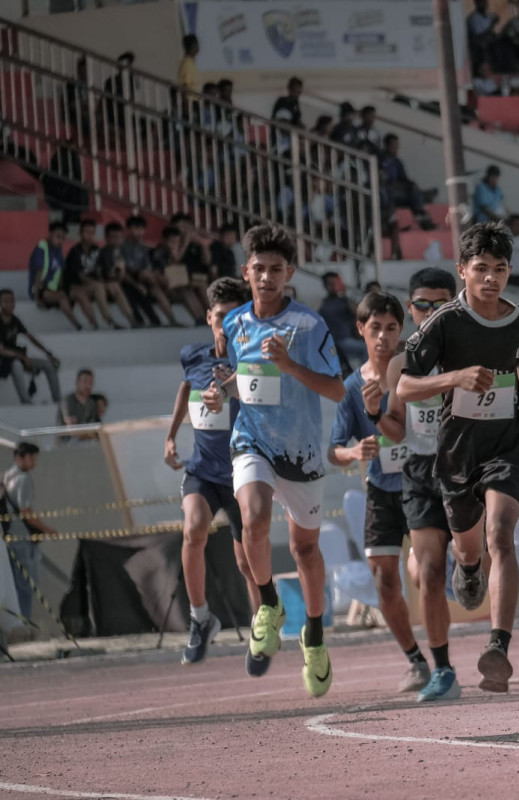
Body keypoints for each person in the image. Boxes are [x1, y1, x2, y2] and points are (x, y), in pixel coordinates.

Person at [398, 223, 519, 694]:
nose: (491, 278)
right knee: (470, 549)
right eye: (481, 268)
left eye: (500, 269)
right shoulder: (445, 321)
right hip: (457, 453)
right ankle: (467, 568)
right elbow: (404, 386)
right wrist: (455, 378)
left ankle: (498, 646)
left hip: (505, 446)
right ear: (462, 270)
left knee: (500, 535)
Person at [201, 223, 346, 696]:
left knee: (305, 550)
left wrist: (289, 365)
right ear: (246, 272)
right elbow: (245, 378)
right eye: (259, 269)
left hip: (300, 454)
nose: (266, 277)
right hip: (253, 440)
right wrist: (221, 393)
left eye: (275, 269)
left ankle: (315, 635)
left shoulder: (309, 326)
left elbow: (336, 390)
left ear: (289, 273)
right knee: (254, 518)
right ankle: (268, 603)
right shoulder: (235, 323)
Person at [327, 291, 430, 693]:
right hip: (381, 492)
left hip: (423, 485)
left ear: (401, 329)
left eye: (391, 328)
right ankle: (415, 659)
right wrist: (353, 452)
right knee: (384, 579)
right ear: (360, 329)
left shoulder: (415, 375)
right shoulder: (352, 387)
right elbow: (334, 450)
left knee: (424, 570)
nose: (383, 336)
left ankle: (440, 655)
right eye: (375, 328)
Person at [163, 277, 259, 665]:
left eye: (234, 317)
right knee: (193, 529)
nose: (226, 325)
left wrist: (231, 392)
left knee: (247, 561)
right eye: (220, 317)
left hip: (241, 473)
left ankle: (260, 627)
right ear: (209, 317)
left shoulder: (252, 361)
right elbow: (185, 388)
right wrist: (171, 435)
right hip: (202, 470)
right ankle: (201, 618)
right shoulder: (193, 356)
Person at [383, 267, 461, 701]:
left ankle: (470, 567)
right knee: (429, 572)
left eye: (440, 304)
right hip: (419, 472)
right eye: (422, 305)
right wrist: (375, 415)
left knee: (473, 560)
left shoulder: (469, 353)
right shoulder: (400, 364)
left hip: (465, 469)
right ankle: (443, 669)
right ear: (410, 308)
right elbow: (397, 427)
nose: (430, 312)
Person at [2, 443, 56, 622]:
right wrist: (47, 529)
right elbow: (26, 512)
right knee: (26, 584)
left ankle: (15, 623)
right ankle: (23, 623)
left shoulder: (7, 476)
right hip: (21, 538)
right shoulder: (24, 479)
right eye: (31, 458)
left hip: (8, 537)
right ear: (20, 458)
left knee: (13, 584)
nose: (34, 462)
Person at [0, 289, 62, 406]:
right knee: (16, 364)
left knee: (48, 365)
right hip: (4, 361)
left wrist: (48, 353)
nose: (10, 304)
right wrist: (22, 357)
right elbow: (2, 351)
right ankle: (26, 402)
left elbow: (31, 338)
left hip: (17, 356)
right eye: (6, 301)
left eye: (12, 301)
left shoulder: (14, 320)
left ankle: (58, 401)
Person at [28, 222, 86, 331]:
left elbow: (61, 273)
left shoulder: (58, 250)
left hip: (53, 289)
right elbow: (39, 273)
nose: (61, 240)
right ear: (50, 234)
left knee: (79, 292)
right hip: (39, 290)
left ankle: (94, 325)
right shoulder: (41, 248)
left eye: (63, 238)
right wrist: (37, 298)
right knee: (62, 297)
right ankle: (77, 324)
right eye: (58, 236)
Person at [319, 272, 366, 369]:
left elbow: (359, 313)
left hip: (346, 339)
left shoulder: (345, 301)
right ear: (326, 286)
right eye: (331, 283)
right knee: (365, 348)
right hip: (337, 341)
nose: (334, 286)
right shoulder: (323, 304)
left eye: (336, 283)